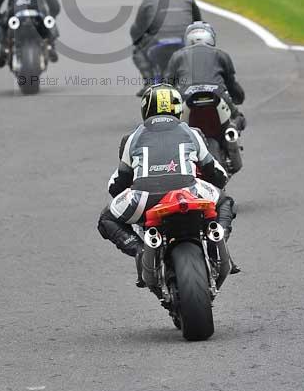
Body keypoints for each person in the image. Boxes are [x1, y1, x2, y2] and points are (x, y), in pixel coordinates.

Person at [97, 84, 238, 287]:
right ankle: (217, 238)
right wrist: (212, 187)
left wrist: (127, 192)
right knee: (225, 201)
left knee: (106, 217)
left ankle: (140, 250)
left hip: (144, 199)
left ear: (145, 109)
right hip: (189, 192)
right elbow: (217, 174)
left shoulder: (132, 137)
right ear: (178, 108)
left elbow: (117, 183)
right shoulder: (192, 132)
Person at [130, 0, 201, 95]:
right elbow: (198, 23)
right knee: (199, 45)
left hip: (158, 43)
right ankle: (201, 79)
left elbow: (137, 29)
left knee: (137, 51)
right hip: (183, 42)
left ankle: (150, 82)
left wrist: (137, 41)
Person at [165, 21, 246, 132]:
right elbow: (231, 84)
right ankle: (232, 133)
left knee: (173, 124)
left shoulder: (177, 56)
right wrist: (238, 98)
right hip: (218, 95)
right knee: (238, 118)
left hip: (186, 97)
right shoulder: (222, 55)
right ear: (210, 37)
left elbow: (167, 86)